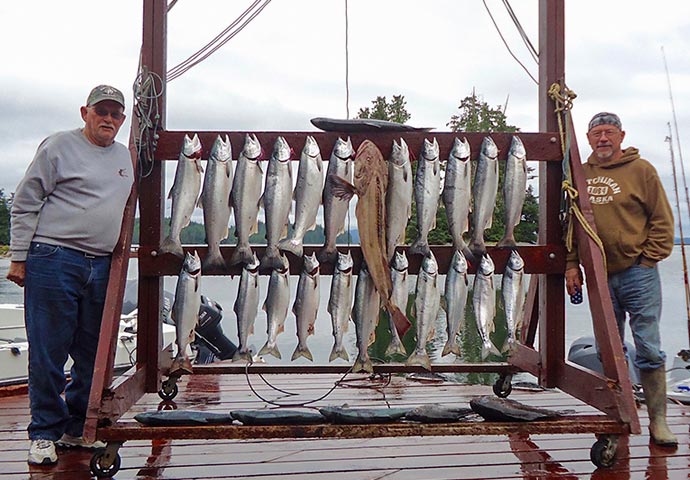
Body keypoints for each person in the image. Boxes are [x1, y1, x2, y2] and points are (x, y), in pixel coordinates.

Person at [6, 85, 134, 465]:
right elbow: (26, 201)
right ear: (85, 112)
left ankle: (76, 427)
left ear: (123, 120)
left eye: (115, 113)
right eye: (102, 111)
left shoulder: (125, 157)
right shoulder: (58, 146)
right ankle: (44, 432)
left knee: (91, 352)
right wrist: (18, 257)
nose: (108, 119)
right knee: (48, 349)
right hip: (53, 258)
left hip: (101, 264)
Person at [565, 112, 677, 447]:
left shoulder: (642, 171)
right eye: (596, 133)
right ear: (587, 139)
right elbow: (570, 224)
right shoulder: (580, 174)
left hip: (638, 274)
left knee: (649, 348)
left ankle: (658, 421)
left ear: (621, 136)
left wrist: (646, 260)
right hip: (598, 276)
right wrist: (573, 265)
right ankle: (618, 415)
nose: (603, 139)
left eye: (609, 133)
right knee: (606, 350)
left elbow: (662, 222)